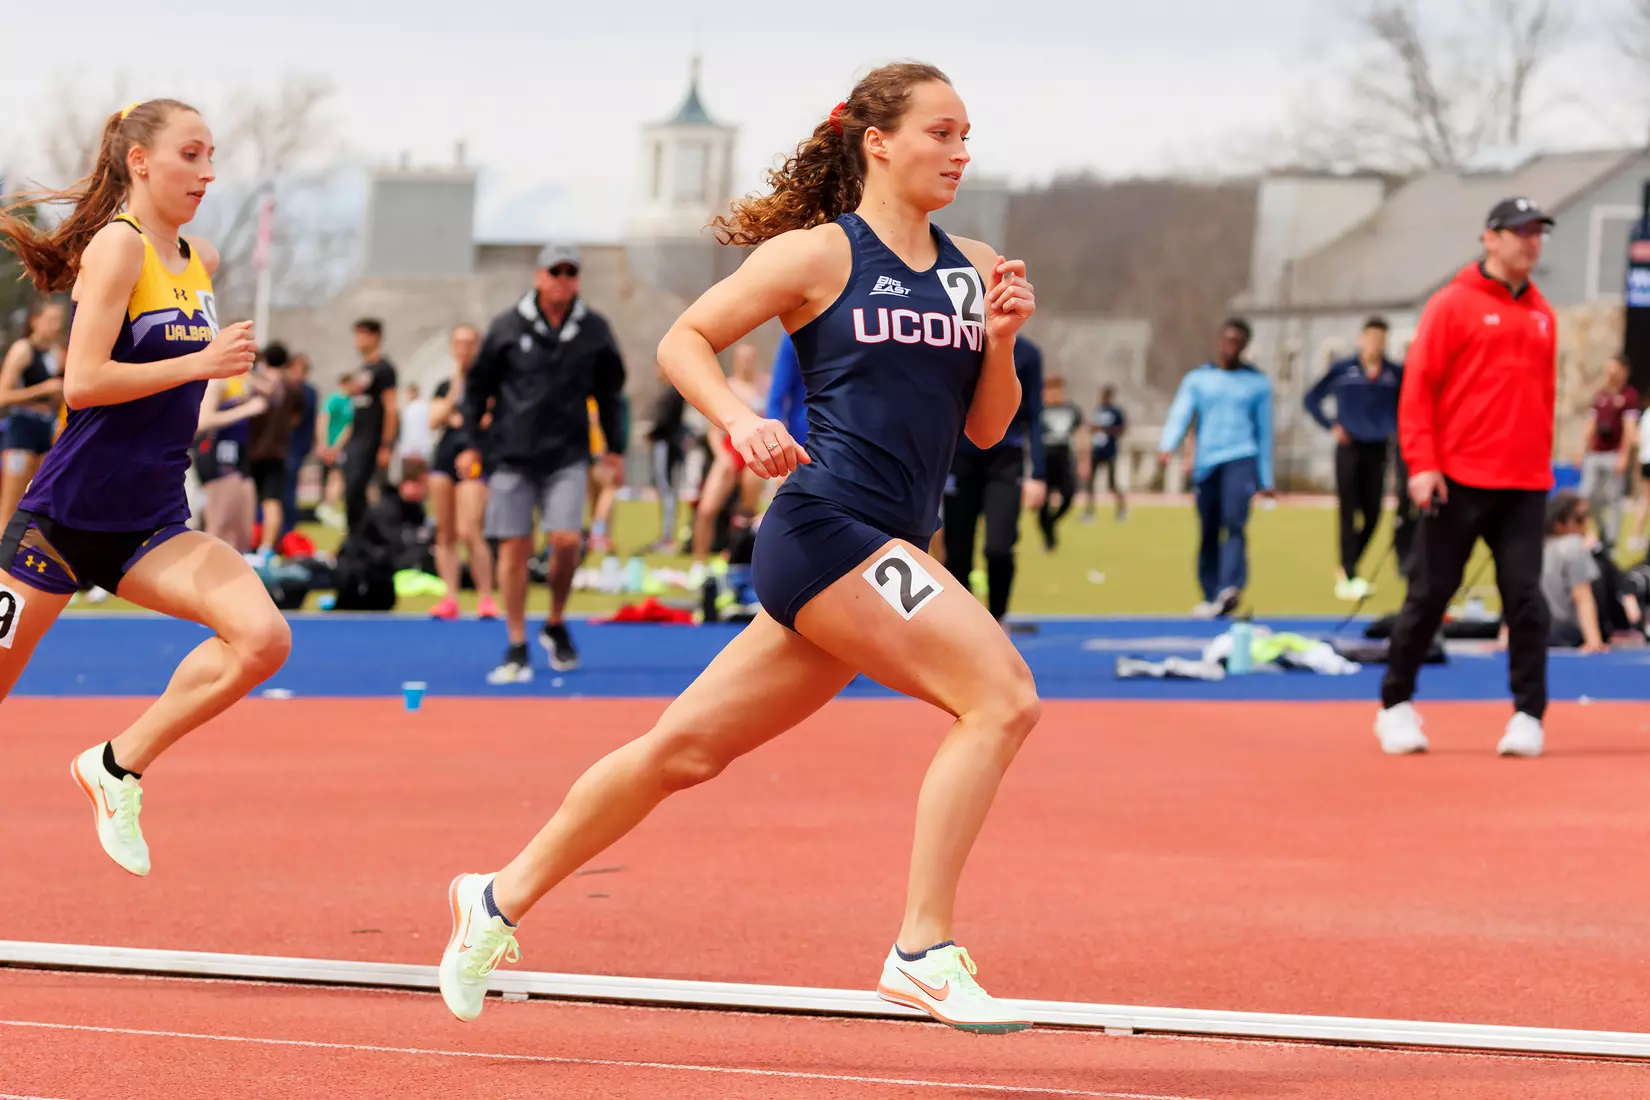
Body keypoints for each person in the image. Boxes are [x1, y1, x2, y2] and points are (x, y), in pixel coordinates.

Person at [437, 62, 1039, 1034]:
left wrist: (1002, 341)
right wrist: (737, 417)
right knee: (1001, 696)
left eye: (968, 134)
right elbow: (686, 339)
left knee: (681, 749)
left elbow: (984, 431)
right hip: (827, 526)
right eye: (941, 132)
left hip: (885, 542)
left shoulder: (974, 262)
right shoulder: (817, 256)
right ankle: (922, 948)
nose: (961, 152)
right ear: (878, 141)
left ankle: (494, 897)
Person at [0, 98, 290, 875]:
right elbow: (84, 381)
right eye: (190, 155)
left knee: (263, 640)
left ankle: (116, 765)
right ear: (140, 161)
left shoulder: (201, 260)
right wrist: (201, 365)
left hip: (149, 524)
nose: (208, 171)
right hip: (60, 522)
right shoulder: (116, 249)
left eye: (211, 155)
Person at [1375, 197, 1559, 759]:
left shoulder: (1543, 314)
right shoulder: (1452, 305)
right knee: (1430, 594)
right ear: (1491, 238)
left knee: (1526, 599)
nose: (1531, 242)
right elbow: (1419, 390)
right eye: (1521, 232)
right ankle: (1395, 704)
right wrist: (1422, 463)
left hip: (1524, 482)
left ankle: (1529, 714)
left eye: (1538, 233)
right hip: (1458, 478)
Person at [458, 243, 625, 681]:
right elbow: (476, 390)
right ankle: (516, 642)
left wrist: (615, 447)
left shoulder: (593, 329)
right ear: (539, 276)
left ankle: (554, 620)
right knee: (514, 547)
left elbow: (610, 394)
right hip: (511, 455)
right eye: (555, 272)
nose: (562, 280)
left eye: (571, 273)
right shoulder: (507, 326)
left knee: (567, 540)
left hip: (567, 454)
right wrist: (472, 443)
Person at [1158, 319, 1275, 619]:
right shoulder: (1199, 379)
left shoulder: (1257, 383)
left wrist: (1266, 478)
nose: (1231, 345)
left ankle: (1230, 587)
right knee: (1209, 528)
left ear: (1245, 345)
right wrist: (1168, 444)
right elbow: (1182, 411)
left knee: (1235, 522)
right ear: (1219, 341)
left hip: (1241, 457)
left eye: (1238, 340)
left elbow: (1264, 432)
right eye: (1227, 339)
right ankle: (1211, 594)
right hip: (1207, 462)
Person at [937, 335, 1045, 623]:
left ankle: (999, 618)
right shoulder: (953, 342)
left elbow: (1034, 415)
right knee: (958, 551)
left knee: (998, 548)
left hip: (1005, 461)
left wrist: (1038, 475)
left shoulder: (1027, 353)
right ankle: (962, 625)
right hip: (958, 459)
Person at [1302, 316, 1404, 601]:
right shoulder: (1343, 370)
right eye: (1371, 338)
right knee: (1348, 511)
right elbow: (1311, 398)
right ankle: (1348, 573)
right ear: (1361, 339)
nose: (1375, 344)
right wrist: (1331, 424)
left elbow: (1410, 404)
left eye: (1380, 339)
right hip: (1349, 448)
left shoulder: (1395, 374)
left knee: (1373, 513)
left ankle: (1349, 562)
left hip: (1379, 447)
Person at [427, 324, 499, 621]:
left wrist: (462, 417)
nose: (464, 349)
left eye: (470, 343)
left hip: (476, 459)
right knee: (445, 532)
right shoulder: (446, 385)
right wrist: (457, 387)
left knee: (470, 529)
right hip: (445, 458)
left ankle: (485, 596)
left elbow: (487, 420)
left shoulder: (491, 384)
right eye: (459, 343)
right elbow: (435, 419)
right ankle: (450, 596)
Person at [1537, 493, 1643, 651]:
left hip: (1540, 635)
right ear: (1560, 523)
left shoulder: (1536, 548)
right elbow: (1582, 594)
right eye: (1580, 519)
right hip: (1571, 636)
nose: (1586, 524)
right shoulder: (1574, 547)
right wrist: (1594, 640)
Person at [0, 300, 66, 527]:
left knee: (37, 507)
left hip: (46, 431)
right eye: (50, 320)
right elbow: (3, 396)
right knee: (10, 506)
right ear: (35, 320)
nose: (55, 326)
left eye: (58, 320)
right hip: (21, 431)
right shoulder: (23, 350)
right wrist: (42, 389)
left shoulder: (57, 353)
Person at [245, 342, 305, 562]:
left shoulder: (254, 383)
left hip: (252, 448)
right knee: (272, 501)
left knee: (253, 499)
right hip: (279, 450)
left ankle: (251, 543)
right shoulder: (293, 386)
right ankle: (266, 548)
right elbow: (296, 418)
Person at [340, 318, 397, 533]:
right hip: (356, 438)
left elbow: (391, 408)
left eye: (363, 335)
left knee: (360, 490)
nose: (358, 340)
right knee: (350, 492)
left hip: (371, 441)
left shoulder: (385, 369)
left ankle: (366, 539)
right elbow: (356, 410)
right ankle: (354, 538)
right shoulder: (363, 368)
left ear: (376, 337)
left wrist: (386, 444)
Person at [1578, 354, 1640, 550]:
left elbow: (1629, 429)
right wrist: (1584, 452)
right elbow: (1590, 426)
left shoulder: (1629, 396)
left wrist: (1624, 456)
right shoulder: (1600, 395)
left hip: (1613, 454)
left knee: (1614, 499)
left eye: (1613, 368)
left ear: (1623, 370)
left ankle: (1611, 541)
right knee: (1585, 495)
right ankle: (1599, 532)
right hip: (1595, 454)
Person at [1036, 374, 1083, 552]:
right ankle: (1049, 540)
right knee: (1043, 502)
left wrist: (1083, 461)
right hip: (1044, 459)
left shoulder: (1071, 410)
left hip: (1064, 458)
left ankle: (1051, 522)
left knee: (1069, 495)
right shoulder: (1039, 410)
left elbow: (1081, 434)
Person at [645, 367, 689, 553]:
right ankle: (666, 535)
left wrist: (651, 434)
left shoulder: (674, 393)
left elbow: (665, 423)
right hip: (667, 445)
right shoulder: (673, 392)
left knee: (667, 491)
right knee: (667, 492)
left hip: (667, 446)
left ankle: (667, 537)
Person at [279, 352, 317, 540]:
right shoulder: (286, 388)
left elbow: (297, 419)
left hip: (294, 447)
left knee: (288, 489)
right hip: (280, 448)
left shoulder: (306, 392)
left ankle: (287, 528)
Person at [1081, 385, 1127, 522]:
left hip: (1110, 452)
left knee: (1112, 484)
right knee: (1090, 484)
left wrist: (1104, 428)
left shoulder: (1116, 412)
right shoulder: (1098, 410)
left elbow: (1121, 430)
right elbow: (1093, 431)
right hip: (1096, 451)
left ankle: (1121, 510)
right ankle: (1089, 513)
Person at [314, 375, 354, 529]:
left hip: (339, 446)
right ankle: (327, 507)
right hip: (334, 445)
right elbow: (323, 420)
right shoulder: (336, 400)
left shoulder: (349, 402)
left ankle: (328, 507)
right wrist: (325, 443)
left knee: (335, 476)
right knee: (336, 477)